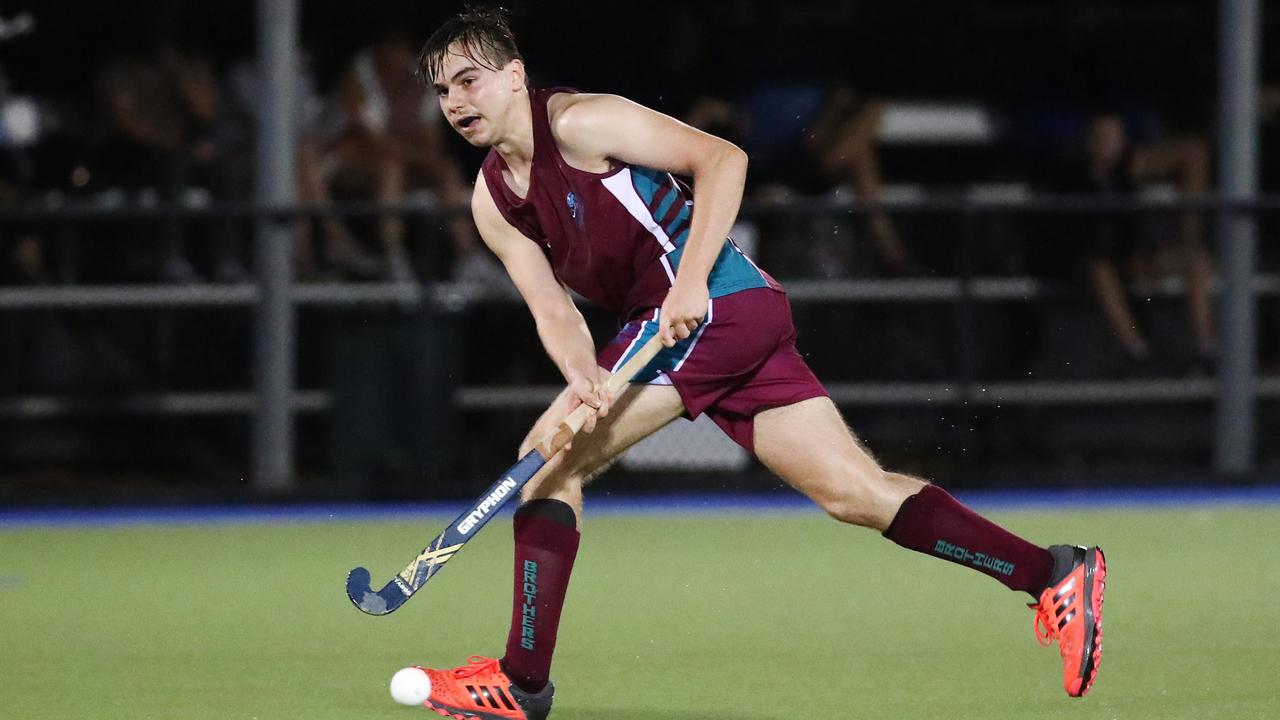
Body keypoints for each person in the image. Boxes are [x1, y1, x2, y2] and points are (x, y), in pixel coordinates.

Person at [408, 9, 1106, 720]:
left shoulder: (583, 123)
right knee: (854, 492)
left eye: (470, 80)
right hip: (710, 323)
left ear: (516, 76)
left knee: (548, 462)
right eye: (442, 92)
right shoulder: (492, 199)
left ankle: (521, 683)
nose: (457, 102)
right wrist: (581, 375)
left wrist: (686, 285)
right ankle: (1052, 572)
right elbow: (552, 311)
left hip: (711, 305)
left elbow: (724, 160)